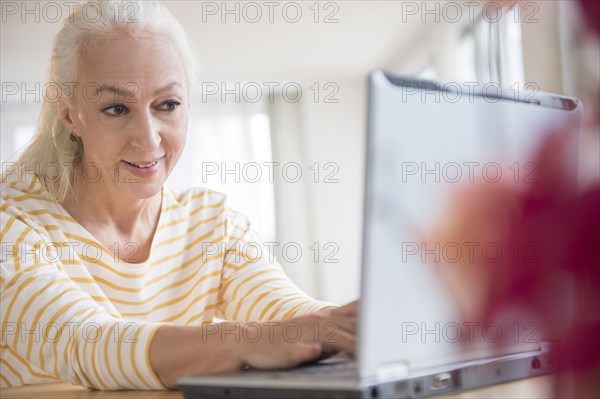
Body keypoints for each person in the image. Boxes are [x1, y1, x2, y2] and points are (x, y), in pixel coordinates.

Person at [0, 0, 357, 390]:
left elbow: (291, 312)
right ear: (70, 113)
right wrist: (248, 340)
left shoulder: (212, 223)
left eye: (167, 105)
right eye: (117, 108)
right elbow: (86, 344)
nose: (149, 137)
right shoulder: (12, 222)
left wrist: (357, 325)